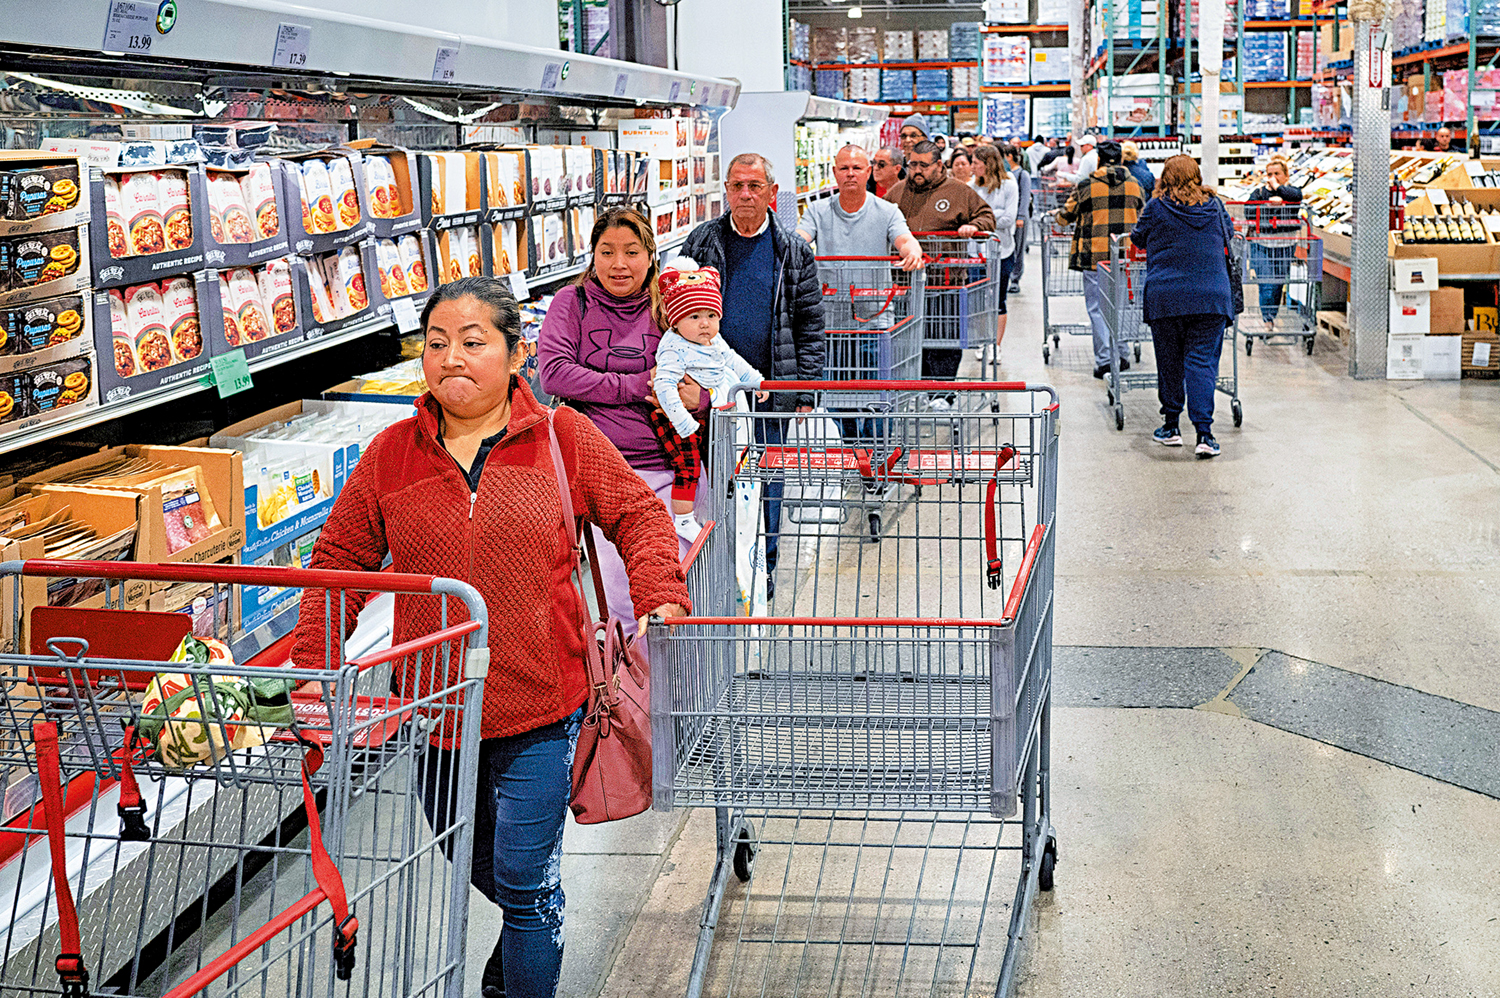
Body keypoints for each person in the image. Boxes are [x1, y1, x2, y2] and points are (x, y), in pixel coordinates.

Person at [293, 276, 691, 998]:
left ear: (516, 354)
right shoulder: (390, 454)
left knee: (524, 880)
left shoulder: (563, 438)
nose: (451, 358)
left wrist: (660, 593)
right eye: (436, 343)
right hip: (436, 716)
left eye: (473, 343)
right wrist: (312, 671)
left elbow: (638, 514)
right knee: (479, 866)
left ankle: (527, 956)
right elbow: (339, 562)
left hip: (543, 709)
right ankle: (526, 941)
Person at [539, 207, 709, 637]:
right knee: (630, 602)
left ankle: (690, 679)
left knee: (688, 595)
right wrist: (634, 385)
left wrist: (701, 398)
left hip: (677, 472)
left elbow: (711, 370)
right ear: (593, 256)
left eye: (631, 252)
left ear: (651, 256)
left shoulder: (670, 304)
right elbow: (554, 373)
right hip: (606, 477)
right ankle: (645, 681)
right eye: (607, 251)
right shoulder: (572, 303)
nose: (619, 264)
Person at [682, 152, 826, 596]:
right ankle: (719, 568)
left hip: (772, 392)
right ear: (726, 190)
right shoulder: (702, 242)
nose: (745, 194)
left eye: (755, 186)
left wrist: (806, 392)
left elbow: (810, 325)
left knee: (768, 482)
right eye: (737, 186)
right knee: (714, 478)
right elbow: (677, 313)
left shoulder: (793, 251)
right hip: (712, 393)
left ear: (772, 192)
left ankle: (763, 570)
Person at [797, 144, 923, 449]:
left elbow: (905, 239)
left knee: (878, 393)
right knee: (837, 395)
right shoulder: (817, 210)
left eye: (857, 168)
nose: (850, 174)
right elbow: (800, 240)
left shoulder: (887, 211)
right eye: (844, 168)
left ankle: (876, 452)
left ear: (868, 172)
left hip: (875, 322)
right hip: (831, 324)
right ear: (834, 173)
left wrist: (911, 251)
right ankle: (853, 449)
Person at [649, 259, 767, 539]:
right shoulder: (674, 347)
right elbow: (664, 385)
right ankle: (683, 519)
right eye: (694, 316)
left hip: (704, 414)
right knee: (687, 467)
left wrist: (756, 380)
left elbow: (732, 359)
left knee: (716, 467)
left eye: (711, 315)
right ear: (675, 320)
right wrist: (683, 421)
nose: (705, 323)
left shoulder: (713, 341)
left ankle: (717, 512)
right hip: (675, 417)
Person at [1130, 154, 1235, 459]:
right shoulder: (1215, 206)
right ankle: (1204, 435)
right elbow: (1228, 236)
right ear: (1197, 175)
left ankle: (1171, 426)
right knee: (1201, 363)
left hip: (1167, 296)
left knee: (1170, 361)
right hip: (1211, 297)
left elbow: (1137, 239)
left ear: (1165, 177)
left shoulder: (1157, 207)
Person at [886, 140, 996, 396]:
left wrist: (974, 226)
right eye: (912, 164)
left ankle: (943, 393)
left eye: (923, 165)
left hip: (946, 283)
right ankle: (918, 388)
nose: (916, 171)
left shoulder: (959, 191)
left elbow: (987, 216)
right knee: (911, 339)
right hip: (906, 284)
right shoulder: (898, 192)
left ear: (938, 165)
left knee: (945, 339)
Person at [1057, 139, 1144, 379]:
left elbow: (1066, 216)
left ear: (1098, 160)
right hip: (1124, 256)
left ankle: (1105, 360)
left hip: (1095, 256)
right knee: (1121, 306)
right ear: (1122, 159)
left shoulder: (1087, 185)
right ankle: (1122, 354)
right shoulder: (1134, 185)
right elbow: (1141, 213)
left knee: (1098, 308)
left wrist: (1058, 216)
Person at [1243, 156, 1304, 333]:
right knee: (1266, 283)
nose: (1273, 177)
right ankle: (1267, 321)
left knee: (1278, 283)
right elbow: (1248, 211)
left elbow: (1297, 197)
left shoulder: (1291, 192)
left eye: (1277, 173)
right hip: (1261, 244)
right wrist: (1266, 206)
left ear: (1286, 176)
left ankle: (1271, 316)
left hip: (1285, 245)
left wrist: (1279, 189)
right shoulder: (1259, 193)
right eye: (1270, 174)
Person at [968, 143, 1017, 352]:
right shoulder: (972, 186)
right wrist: (994, 215)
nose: (972, 167)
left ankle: (995, 345)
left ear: (988, 164)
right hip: (975, 252)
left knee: (999, 300)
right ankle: (982, 340)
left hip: (1002, 250)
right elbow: (968, 216)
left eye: (975, 163)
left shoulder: (1009, 184)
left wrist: (981, 221)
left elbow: (1009, 218)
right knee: (978, 300)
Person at [1002, 143, 1031, 293]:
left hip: (1019, 218)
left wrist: (1020, 216)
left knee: (1018, 249)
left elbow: (1025, 197)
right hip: (1007, 218)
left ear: (1009, 156)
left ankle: (1015, 278)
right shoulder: (1004, 175)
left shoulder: (1022, 174)